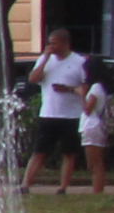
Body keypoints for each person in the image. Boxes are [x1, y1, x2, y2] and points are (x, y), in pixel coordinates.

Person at [21, 28, 91, 195]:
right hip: (49, 114)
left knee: (69, 153)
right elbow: (33, 79)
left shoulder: (79, 62)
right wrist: (45, 58)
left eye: (55, 43)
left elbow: (85, 88)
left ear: (65, 43)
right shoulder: (46, 60)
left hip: (71, 115)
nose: (51, 46)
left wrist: (67, 89)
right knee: (40, 151)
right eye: (49, 43)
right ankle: (25, 185)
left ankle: (63, 187)